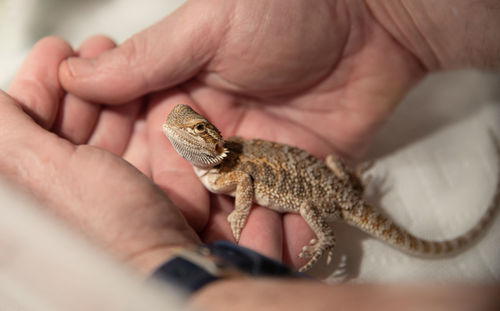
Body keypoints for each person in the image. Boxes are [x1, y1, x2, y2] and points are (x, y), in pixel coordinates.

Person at [1, 0, 499, 309]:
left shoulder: (228, 172)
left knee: (312, 206)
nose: (182, 132)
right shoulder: (215, 164)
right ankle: (351, 184)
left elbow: (250, 187)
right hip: (324, 173)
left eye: (194, 128)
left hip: (324, 196)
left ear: (212, 144)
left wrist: (155, 260)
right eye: (184, 128)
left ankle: (333, 224)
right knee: (324, 179)